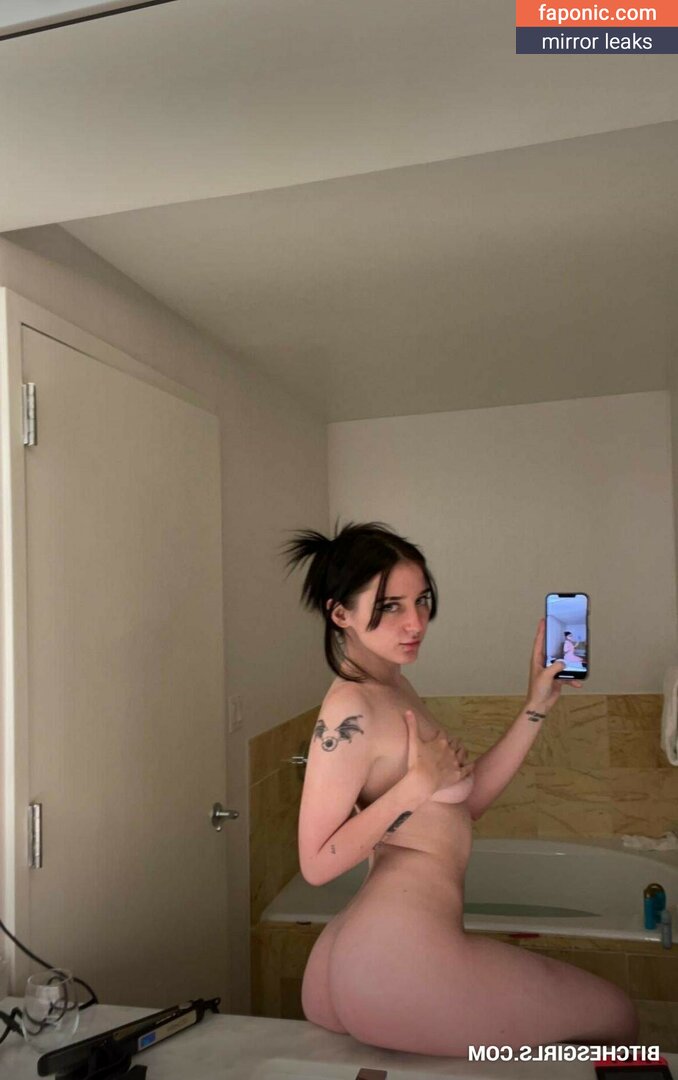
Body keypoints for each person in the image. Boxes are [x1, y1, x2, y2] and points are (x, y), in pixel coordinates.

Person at [280, 520, 637, 1057]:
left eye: (422, 600)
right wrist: (415, 787)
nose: (416, 622)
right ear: (340, 614)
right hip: (393, 959)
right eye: (391, 606)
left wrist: (536, 705)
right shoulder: (350, 707)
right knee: (617, 1018)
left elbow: (462, 806)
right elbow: (315, 863)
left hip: (376, 949)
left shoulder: (391, 684)